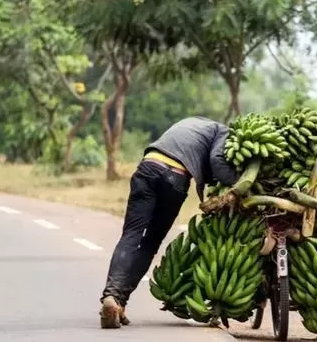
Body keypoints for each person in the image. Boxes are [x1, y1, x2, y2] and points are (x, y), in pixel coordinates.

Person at [99, 116, 239, 328]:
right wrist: (239, 181)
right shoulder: (222, 131)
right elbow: (217, 162)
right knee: (149, 243)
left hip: (147, 168)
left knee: (130, 235)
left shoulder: (191, 123)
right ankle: (119, 299)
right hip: (174, 178)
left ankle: (114, 298)